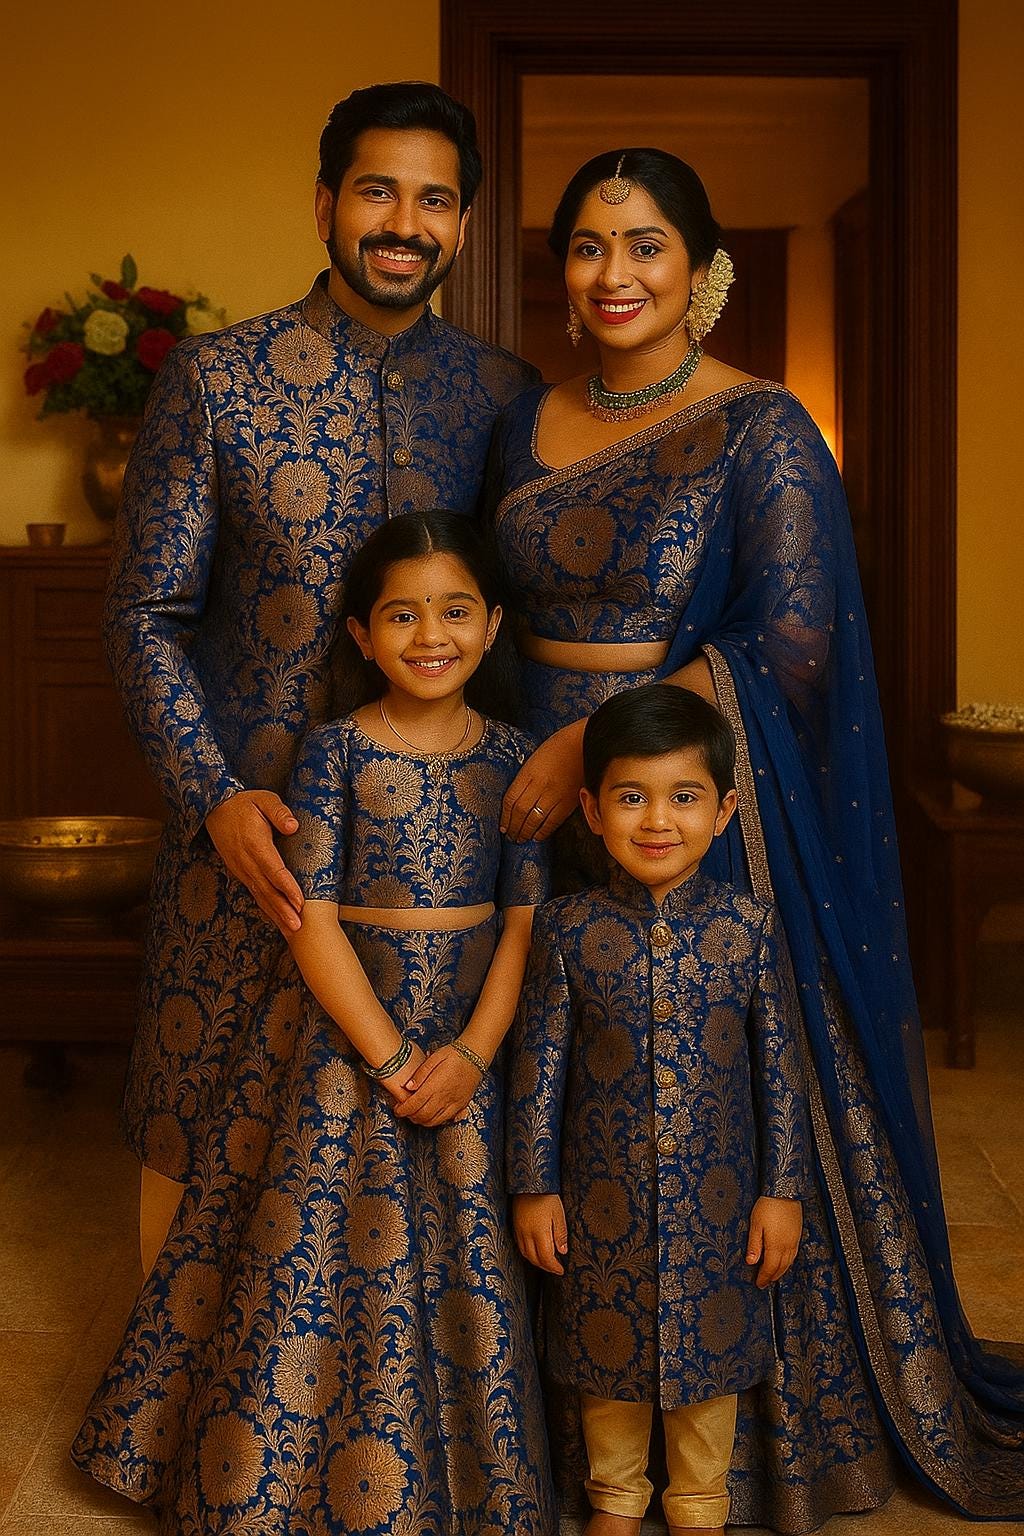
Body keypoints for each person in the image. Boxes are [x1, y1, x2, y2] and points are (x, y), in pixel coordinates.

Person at [489, 148, 1024, 1527]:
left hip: (680, 806)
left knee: (703, 1091)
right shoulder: (521, 422)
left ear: (702, 269)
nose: (618, 274)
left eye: (648, 244)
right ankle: (530, 1439)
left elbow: (789, 643)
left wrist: (585, 750)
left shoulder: (761, 427)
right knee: (552, 1067)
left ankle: (730, 1455)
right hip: (526, 813)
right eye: (592, 246)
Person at [104, 81, 539, 1271]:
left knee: (432, 1148)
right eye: (378, 190)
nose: (404, 220)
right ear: (324, 205)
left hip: (440, 861)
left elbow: (530, 617)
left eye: (434, 199)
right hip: (254, 840)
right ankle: (184, 1438)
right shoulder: (215, 380)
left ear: (462, 227)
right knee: (207, 1127)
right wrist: (213, 798)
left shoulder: (505, 400)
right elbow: (144, 616)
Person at [72, 512, 556, 1534]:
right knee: (318, 1249)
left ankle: (462, 1484)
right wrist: (388, 1056)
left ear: (496, 623)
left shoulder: (516, 760)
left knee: (463, 1251)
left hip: (466, 1041)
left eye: (456, 610)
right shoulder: (334, 752)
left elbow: (524, 929)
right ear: (359, 636)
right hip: (345, 1037)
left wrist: (470, 1055)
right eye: (401, 614)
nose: (432, 634)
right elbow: (307, 921)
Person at [509, 684, 807, 1536]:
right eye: (631, 797)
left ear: (724, 812)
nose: (656, 821)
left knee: (708, 1354)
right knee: (607, 1352)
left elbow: (778, 1071)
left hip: (721, 1202)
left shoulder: (749, 929)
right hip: (601, 1199)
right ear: (590, 811)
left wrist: (781, 1192)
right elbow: (540, 1071)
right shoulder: (566, 931)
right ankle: (614, 1501)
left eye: (684, 798)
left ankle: (700, 1502)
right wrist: (535, 1187)